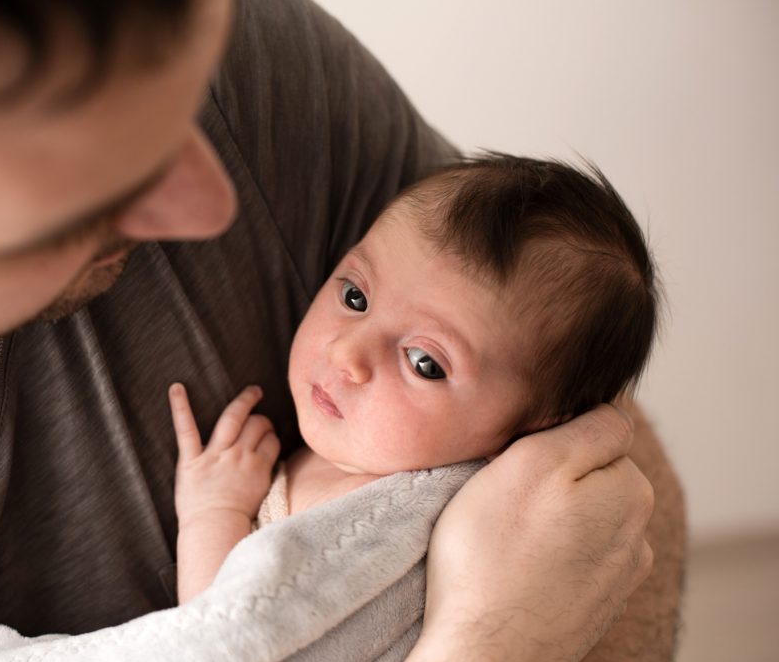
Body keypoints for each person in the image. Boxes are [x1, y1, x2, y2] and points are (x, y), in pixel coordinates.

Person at [0, 0, 683, 662]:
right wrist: (489, 656)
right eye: (83, 179)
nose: (212, 200)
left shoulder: (231, 52)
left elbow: (603, 474)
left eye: (186, 100)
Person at [173, 153, 661, 607]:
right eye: (355, 297)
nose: (347, 353)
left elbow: (220, 642)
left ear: (530, 432)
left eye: (424, 362)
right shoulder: (362, 465)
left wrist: (213, 513)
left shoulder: (377, 523)